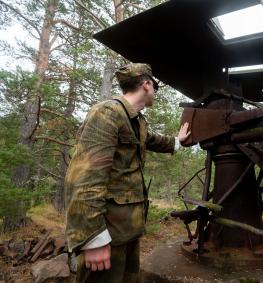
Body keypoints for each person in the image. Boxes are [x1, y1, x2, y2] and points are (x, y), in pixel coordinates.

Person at [65, 63, 190, 283]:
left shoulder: (135, 120)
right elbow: (85, 178)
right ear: (147, 84)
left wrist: (178, 141)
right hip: (106, 235)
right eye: (155, 87)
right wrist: (93, 238)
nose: (155, 93)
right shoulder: (108, 112)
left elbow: (151, 140)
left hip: (126, 231)